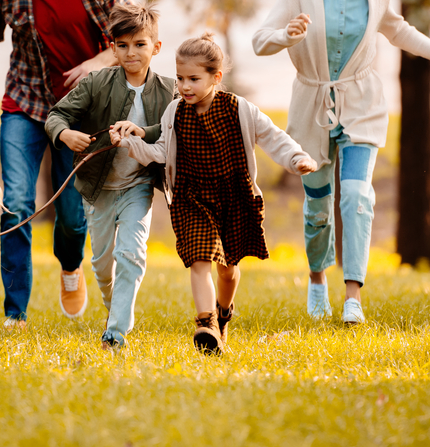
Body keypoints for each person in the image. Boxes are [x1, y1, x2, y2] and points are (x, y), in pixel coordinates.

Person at [251, 0, 430, 325]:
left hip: (362, 104)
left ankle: (353, 294)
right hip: (312, 105)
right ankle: (317, 279)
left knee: (356, 196)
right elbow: (259, 41)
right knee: (318, 206)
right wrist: (287, 35)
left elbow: (399, 31)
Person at [0, 0, 132, 328]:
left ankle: (69, 266)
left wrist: (96, 63)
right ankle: (15, 313)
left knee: (73, 217)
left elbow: (139, 33)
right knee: (17, 203)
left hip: (82, 115)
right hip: (24, 106)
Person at [111, 34, 317, 353]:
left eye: (194, 79)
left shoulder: (240, 109)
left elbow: (273, 136)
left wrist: (297, 158)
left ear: (215, 77)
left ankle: (222, 315)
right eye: (180, 79)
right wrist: (129, 143)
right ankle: (205, 323)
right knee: (200, 258)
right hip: (191, 197)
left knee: (228, 269)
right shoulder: (175, 112)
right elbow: (161, 150)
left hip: (234, 196)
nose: (185, 86)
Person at [44, 1, 176, 350]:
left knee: (131, 254)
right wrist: (64, 134)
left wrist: (141, 131)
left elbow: (172, 130)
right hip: (98, 188)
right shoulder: (98, 82)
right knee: (103, 265)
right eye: (123, 45)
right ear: (112, 46)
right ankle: (113, 307)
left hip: (138, 186)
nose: (131, 53)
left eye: (140, 44)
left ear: (156, 47)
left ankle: (115, 333)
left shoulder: (169, 90)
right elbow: (56, 115)